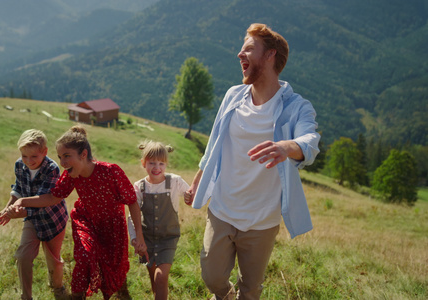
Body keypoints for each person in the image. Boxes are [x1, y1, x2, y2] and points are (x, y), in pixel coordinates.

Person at [187, 23, 320, 300]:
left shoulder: (297, 107)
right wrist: (198, 180)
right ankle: (224, 295)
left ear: (270, 56)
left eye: (248, 48)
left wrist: (288, 146)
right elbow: (214, 143)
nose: (239, 54)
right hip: (223, 208)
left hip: (262, 220)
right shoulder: (233, 96)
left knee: (251, 290)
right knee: (212, 277)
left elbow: (310, 140)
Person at [10, 125, 147, 300]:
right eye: (60, 157)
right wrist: (22, 200)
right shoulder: (70, 176)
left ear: (83, 155)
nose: (62, 163)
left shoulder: (111, 171)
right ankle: (77, 296)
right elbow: (53, 197)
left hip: (113, 225)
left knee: (115, 265)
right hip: (86, 220)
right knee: (84, 256)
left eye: (67, 156)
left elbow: (132, 202)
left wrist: (140, 236)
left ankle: (122, 291)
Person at [0, 129, 70, 300]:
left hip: (53, 220)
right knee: (23, 256)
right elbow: (18, 189)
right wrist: (8, 208)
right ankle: (26, 296)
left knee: (53, 260)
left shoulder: (52, 168)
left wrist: (19, 208)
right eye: (24, 156)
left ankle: (58, 289)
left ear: (44, 152)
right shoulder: (19, 165)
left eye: (34, 157)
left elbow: (45, 199)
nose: (29, 161)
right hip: (32, 220)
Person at [127, 140, 192, 300]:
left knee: (160, 277)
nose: (157, 168)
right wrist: (135, 238)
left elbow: (190, 193)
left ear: (166, 164)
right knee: (152, 272)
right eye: (152, 163)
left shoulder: (174, 181)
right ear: (144, 163)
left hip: (168, 238)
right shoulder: (139, 186)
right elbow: (132, 215)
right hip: (146, 239)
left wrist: (189, 196)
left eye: (161, 163)